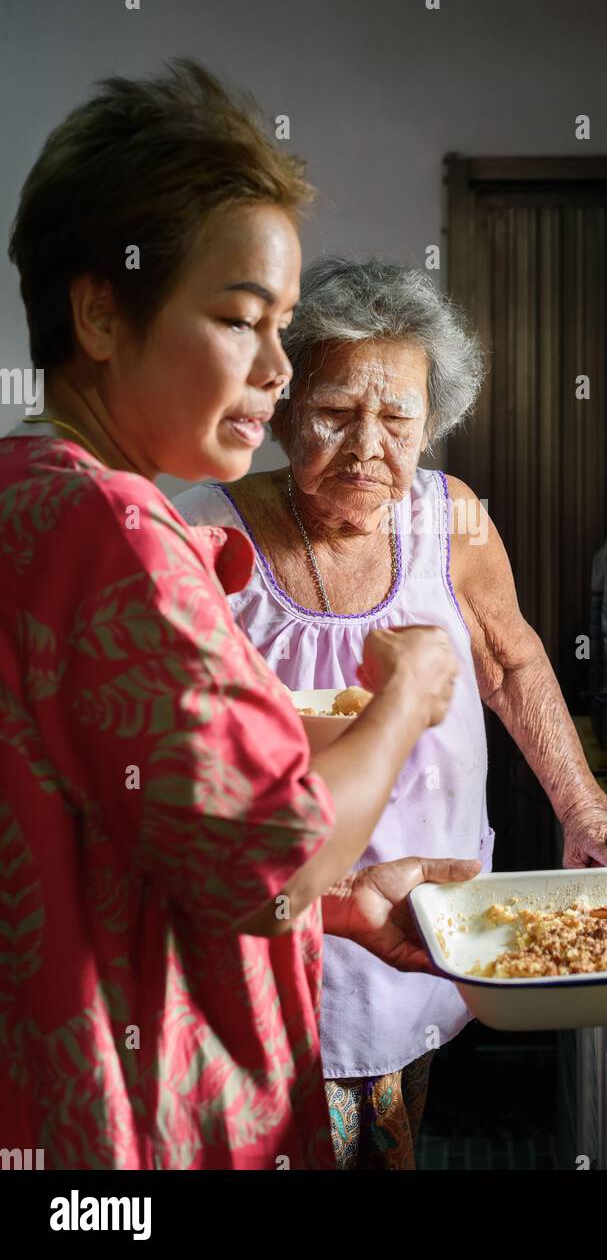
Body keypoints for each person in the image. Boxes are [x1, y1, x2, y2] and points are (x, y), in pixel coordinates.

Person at [0, 59, 478, 1170]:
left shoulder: (33, 495)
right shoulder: (115, 533)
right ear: (100, 311)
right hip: (143, 1115)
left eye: (284, 329)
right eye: (238, 319)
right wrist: (406, 692)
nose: (276, 372)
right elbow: (272, 867)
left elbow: (155, 822)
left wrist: (351, 905)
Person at [175, 255, 607, 1169]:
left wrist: (583, 809)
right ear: (280, 407)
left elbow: (511, 664)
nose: (370, 447)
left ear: (432, 423)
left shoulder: (452, 518)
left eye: (399, 419)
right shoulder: (205, 536)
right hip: (268, 927)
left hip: (415, 915)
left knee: (390, 1125)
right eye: (335, 413)